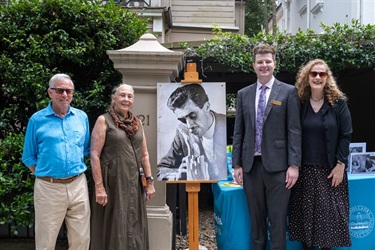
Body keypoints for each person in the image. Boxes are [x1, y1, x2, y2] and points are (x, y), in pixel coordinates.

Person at [232, 44, 302, 250]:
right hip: (251, 167)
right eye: (260, 62)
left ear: (274, 64)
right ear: (253, 65)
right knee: (256, 223)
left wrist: (294, 165)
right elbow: (239, 132)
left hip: (279, 168)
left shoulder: (289, 92)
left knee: (278, 223)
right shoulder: (244, 94)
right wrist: (237, 164)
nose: (264, 65)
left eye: (268, 61)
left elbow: (294, 131)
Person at [22, 73, 91, 249]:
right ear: (50, 92)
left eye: (69, 91)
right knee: (46, 242)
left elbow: (85, 149)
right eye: (60, 90)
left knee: (81, 240)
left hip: (78, 186)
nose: (65, 95)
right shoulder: (37, 120)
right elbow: (29, 156)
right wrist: (46, 175)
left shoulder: (81, 117)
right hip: (49, 188)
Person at [290, 59, 352, 250]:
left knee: (328, 228)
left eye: (322, 74)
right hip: (305, 173)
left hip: (330, 172)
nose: (317, 77)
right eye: (313, 73)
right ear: (307, 76)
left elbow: (346, 134)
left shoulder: (338, 103)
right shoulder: (299, 102)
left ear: (327, 77)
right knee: (305, 226)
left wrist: (341, 165)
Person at [90, 83, 155, 250]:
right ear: (114, 98)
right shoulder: (104, 120)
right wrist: (99, 187)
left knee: (134, 221)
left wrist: (150, 182)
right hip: (113, 182)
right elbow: (95, 155)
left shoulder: (137, 123)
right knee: (115, 222)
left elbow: (144, 155)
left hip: (134, 182)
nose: (126, 99)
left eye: (130, 96)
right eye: (122, 95)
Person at [157, 83, 227, 180]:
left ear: (207, 107)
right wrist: (177, 173)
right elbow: (161, 169)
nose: (189, 126)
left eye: (193, 116)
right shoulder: (182, 133)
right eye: (183, 120)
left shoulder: (228, 124)